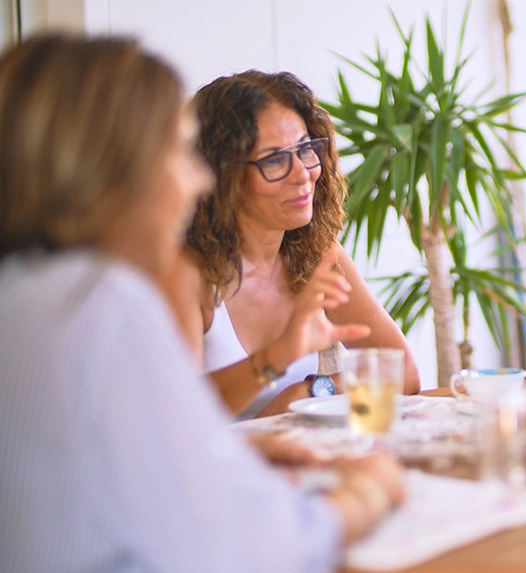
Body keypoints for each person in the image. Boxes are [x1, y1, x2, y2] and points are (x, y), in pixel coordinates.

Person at [0, 35, 403, 572]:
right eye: (176, 154)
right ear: (107, 172)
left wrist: (232, 453)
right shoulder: (102, 305)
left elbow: (124, 469)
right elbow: (245, 550)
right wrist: (367, 495)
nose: (196, 181)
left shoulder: (25, 295)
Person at [160, 70, 420, 420]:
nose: (303, 173)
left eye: (305, 149)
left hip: (299, 462)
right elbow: (176, 418)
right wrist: (275, 370)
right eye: (274, 160)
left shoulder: (317, 254)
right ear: (222, 176)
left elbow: (403, 372)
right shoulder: (186, 271)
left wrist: (311, 391)